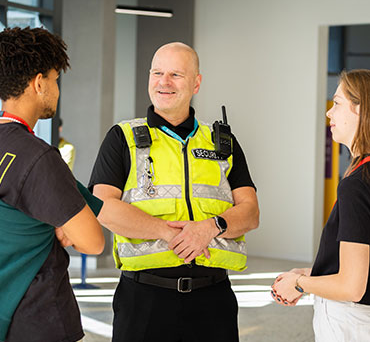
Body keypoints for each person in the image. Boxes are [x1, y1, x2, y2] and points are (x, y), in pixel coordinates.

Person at [89, 42, 260, 342]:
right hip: (144, 300)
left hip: (213, 300)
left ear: (196, 82)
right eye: (157, 72)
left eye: (176, 75)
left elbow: (250, 211)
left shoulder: (222, 142)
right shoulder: (122, 138)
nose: (163, 82)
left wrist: (210, 227)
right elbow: (102, 205)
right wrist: (170, 234)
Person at [0, 26, 108, 342]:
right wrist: (60, 225)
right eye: (55, 79)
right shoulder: (40, 157)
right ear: (38, 83)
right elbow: (93, 242)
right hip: (36, 314)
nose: (57, 89)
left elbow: (95, 205)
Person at [271, 69, 370, 342]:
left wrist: (299, 284)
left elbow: (352, 286)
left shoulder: (358, 183)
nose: (329, 113)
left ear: (361, 110)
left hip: (352, 323)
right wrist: (311, 272)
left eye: (337, 103)